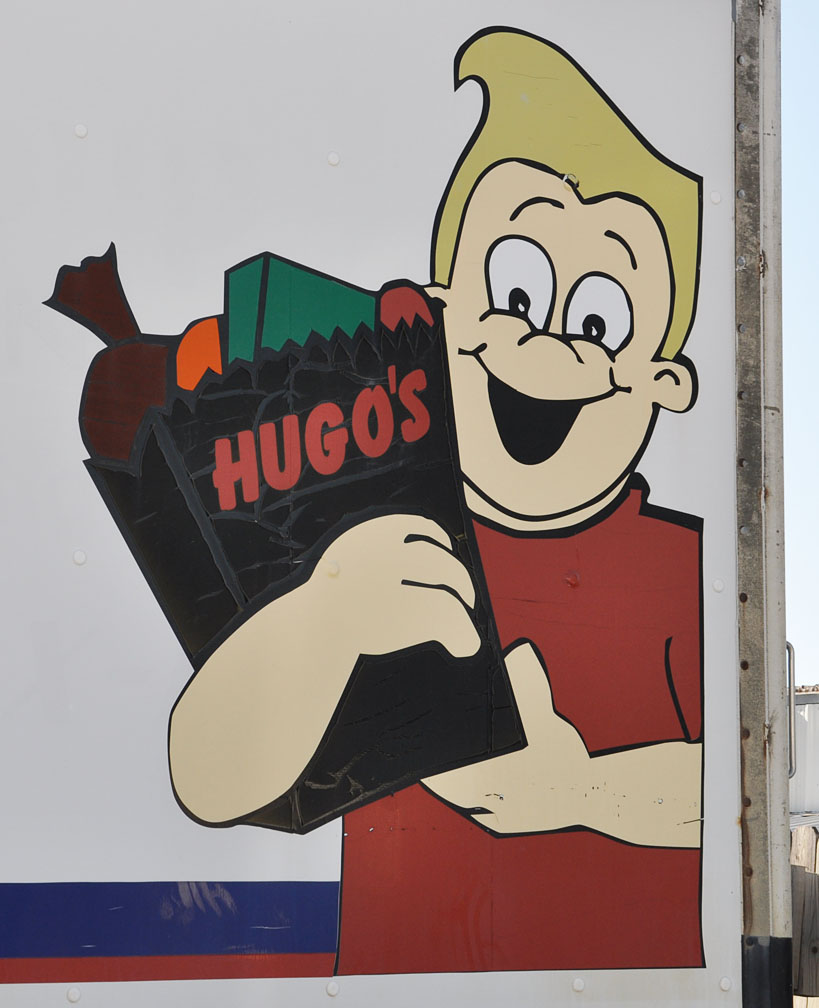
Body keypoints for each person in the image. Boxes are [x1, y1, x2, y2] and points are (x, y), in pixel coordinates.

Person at [168, 28, 704, 972]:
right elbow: (209, 784)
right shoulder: (375, 539)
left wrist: (580, 791)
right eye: (514, 291)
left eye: (599, 320)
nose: (546, 346)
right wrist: (326, 616)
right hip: (391, 970)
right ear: (436, 313)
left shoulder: (678, 567)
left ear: (664, 380)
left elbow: (730, 784)